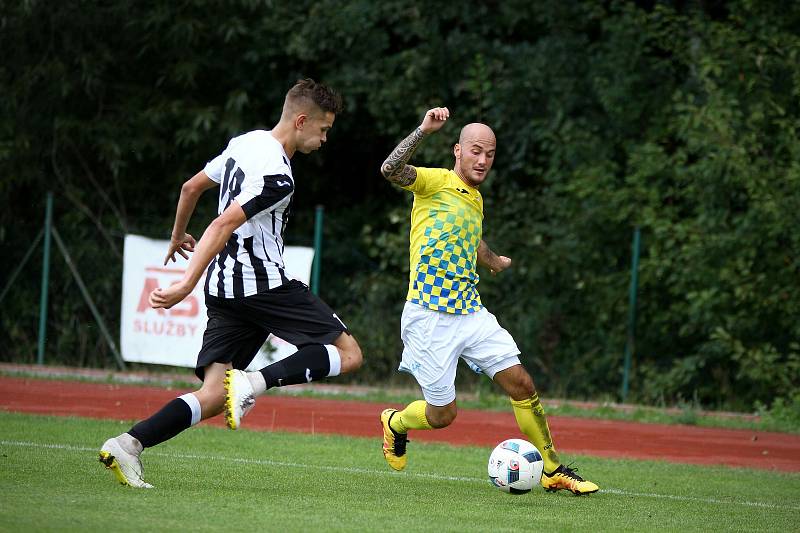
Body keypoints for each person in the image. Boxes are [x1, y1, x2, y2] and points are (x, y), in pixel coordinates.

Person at [98, 79, 363, 488]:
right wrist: (185, 283)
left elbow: (192, 187)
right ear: (302, 120)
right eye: (324, 129)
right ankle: (254, 381)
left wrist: (177, 235)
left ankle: (129, 444)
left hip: (224, 289)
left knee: (213, 395)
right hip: (263, 284)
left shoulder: (247, 142)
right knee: (348, 354)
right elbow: (224, 222)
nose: (325, 139)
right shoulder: (278, 175)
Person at [378, 107, 599, 495]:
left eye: (490, 154)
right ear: (457, 151)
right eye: (476, 151)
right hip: (429, 317)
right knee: (443, 415)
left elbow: (470, 236)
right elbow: (390, 170)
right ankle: (396, 423)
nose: (483, 160)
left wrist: (492, 260)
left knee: (521, 382)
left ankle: (551, 469)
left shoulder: (475, 200)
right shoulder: (435, 182)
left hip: (470, 312)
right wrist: (421, 131)